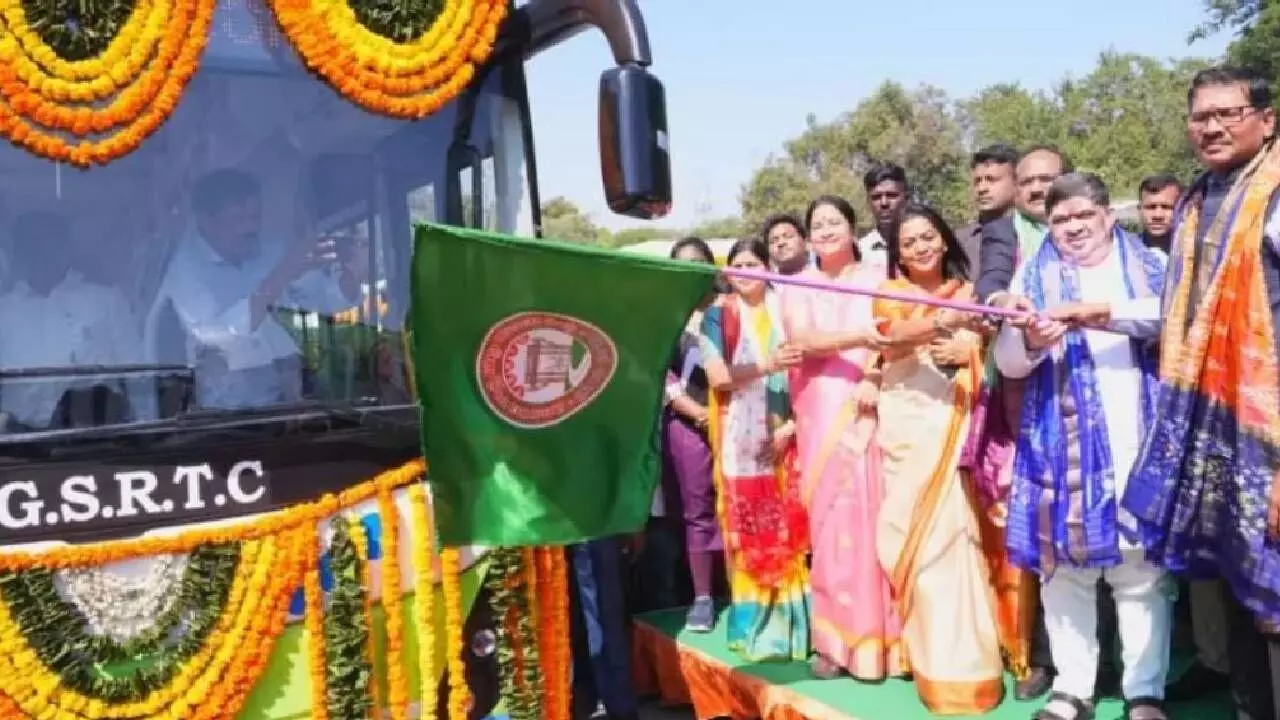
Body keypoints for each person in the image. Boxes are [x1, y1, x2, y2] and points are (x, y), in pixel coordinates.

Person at [1114, 65, 1280, 720]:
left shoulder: (1272, 195)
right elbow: (1177, 311)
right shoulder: (1198, 201)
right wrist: (1093, 312)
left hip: (1267, 424)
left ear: (1266, 120)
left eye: (1227, 113)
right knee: (1239, 581)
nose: (1211, 126)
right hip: (1217, 424)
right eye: (1200, 115)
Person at [996, 172, 1172, 720]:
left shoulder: (1150, 266)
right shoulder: (1033, 274)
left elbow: (1174, 320)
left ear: (1107, 217)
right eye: (1060, 220)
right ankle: (1074, 690)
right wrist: (1028, 339)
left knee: (1140, 572)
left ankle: (1145, 692)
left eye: (1082, 217)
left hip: (1138, 435)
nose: (1072, 229)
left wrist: (1095, 313)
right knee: (1064, 568)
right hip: (1058, 445)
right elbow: (1007, 362)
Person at [871, 203, 1005, 713]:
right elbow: (891, 336)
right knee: (916, 543)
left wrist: (972, 339)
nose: (921, 247)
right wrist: (941, 324)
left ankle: (970, 666)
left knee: (958, 537)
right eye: (909, 243)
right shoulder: (888, 294)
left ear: (944, 239)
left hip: (956, 422)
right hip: (909, 423)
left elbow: (989, 339)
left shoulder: (968, 294)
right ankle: (925, 659)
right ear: (898, 255)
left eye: (928, 237)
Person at [780, 194, 903, 681]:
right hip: (819, 414)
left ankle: (886, 645)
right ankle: (833, 644)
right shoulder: (795, 285)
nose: (827, 230)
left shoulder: (878, 279)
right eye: (818, 224)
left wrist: (874, 374)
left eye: (835, 221)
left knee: (876, 519)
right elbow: (802, 340)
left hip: (869, 408)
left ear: (853, 229)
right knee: (830, 526)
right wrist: (859, 339)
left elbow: (894, 339)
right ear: (808, 237)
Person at [700, 237, 810, 662]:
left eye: (753, 263)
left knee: (788, 530)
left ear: (767, 268)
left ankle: (794, 631)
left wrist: (795, 426)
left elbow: (809, 372)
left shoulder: (788, 309)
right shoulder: (718, 315)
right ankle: (756, 630)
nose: (744, 271)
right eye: (737, 265)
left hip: (790, 434)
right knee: (749, 533)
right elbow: (718, 377)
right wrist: (768, 365)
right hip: (741, 442)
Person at [146, 168, 307, 410]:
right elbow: (217, 334)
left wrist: (348, 274)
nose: (250, 229)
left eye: (255, 217)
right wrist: (280, 277)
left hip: (278, 412)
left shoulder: (270, 251)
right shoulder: (184, 270)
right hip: (215, 420)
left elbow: (321, 300)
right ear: (205, 220)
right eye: (238, 220)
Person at [0, 212, 145, 430]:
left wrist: (146, 436)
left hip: (97, 438)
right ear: (19, 253)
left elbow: (140, 379)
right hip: (19, 447)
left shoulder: (105, 300)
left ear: (65, 248)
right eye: (32, 245)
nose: (41, 253)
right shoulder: (4, 312)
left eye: (50, 243)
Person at [662, 236, 724, 632]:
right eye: (682, 263)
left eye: (698, 262)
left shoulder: (730, 309)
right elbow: (660, 376)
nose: (691, 269)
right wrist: (699, 415)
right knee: (698, 511)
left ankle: (744, 591)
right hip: (688, 423)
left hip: (736, 421)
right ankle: (702, 597)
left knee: (740, 507)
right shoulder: (664, 316)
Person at [959, 143, 1020, 277]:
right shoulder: (959, 242)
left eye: (991, 180)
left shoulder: (1032, 234)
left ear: (1017, 183)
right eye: (977, 181)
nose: (982, 189)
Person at [859, 163, 909, 267]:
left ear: (906, 198)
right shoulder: (860, 252)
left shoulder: (925, 248)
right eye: (876, 197)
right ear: (868, 201)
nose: (884, 203)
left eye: (891, 195)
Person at [1135, 175, 1183, 256]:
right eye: (1151, 207)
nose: (1158, 215)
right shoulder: (1126, 251)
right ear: (1140, 209)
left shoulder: (1193, 254)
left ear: (1181, 209)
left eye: (1166, 207)